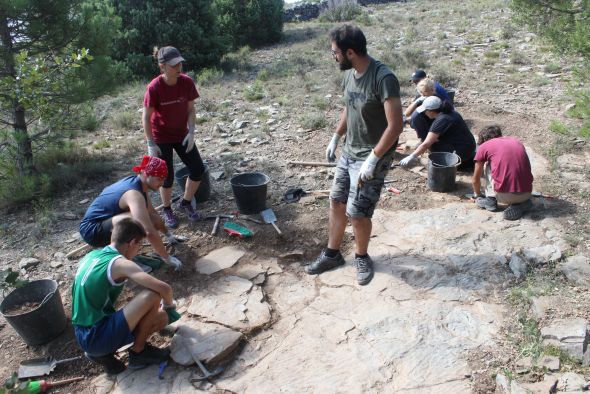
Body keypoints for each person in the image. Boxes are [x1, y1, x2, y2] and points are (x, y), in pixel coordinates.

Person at [305, 25, 403, 285]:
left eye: (335, 52)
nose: (333, 56)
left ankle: (361, 256)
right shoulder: (349, 74)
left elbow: (396, 126)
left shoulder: (383, 78)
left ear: (350, 52)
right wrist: (336, 136)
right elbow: (349, 107)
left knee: (357, 212)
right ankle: (332, 254)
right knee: (336, 202)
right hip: (349, 152)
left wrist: (374, 158)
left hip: (372, 155)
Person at [72, 218, 181, 374]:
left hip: (83, 333)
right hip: (97, 336)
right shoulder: (120, 263)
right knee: (156, 301)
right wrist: (170, 308)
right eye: (140, 245)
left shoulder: (92, 256)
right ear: (132, 243)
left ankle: (101, 353)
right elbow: (164, 288)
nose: (139, 250)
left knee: (152, 310)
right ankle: (139, 353)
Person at [79, 155, 182, 270]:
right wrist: (166, 257)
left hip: (106, 223)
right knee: (136, 221)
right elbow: (149, 231)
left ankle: (127, 253)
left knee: (147, 217)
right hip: (92, 230)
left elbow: (153, 214)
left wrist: (169, 236)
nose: (162, 183)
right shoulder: (134, 194)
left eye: (164, 179)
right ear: (147, 174)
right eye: (159, 179)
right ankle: (126, 260)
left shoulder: (140, 184)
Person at [143, 46, 205, 228]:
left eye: (180, 63)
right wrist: (150, 143)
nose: (179, 67)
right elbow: (146, 117)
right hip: (161, 136)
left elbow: (191, 109)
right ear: (162, 66)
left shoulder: (186, 82)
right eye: (173, 65)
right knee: (166, 177)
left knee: (198, 169)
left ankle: (185, 202)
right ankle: (167, 209)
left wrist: (192, 131)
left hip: (181, 134)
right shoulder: (154, 87)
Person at [472, 125, 534, 220]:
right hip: (527, 192)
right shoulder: (517, 142)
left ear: (485, 139)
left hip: (504, 195)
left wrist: (478, 195)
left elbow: (476, 178)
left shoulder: (485, 146)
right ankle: (521, 204)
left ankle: (490, 199)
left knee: (488, 164)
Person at [399, 96, 476, 170]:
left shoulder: (442, 120)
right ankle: (466, 160)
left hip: (462, 150)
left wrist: (411, 156)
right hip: (468, 146)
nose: (424, 113)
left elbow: (426, 144)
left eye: (425, 111)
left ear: (431, 111)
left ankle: (461, 164)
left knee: (433, 146)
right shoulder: (450, 113)